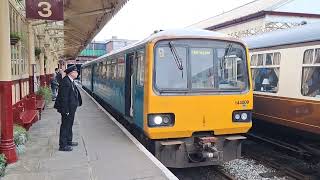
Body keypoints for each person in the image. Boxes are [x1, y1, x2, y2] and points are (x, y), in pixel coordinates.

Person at [54, 65, 82, 151]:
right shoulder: (66, 82)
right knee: (65, 126)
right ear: (71, 73)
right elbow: (64, 98)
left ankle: (69, 140)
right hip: (67, 109)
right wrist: (65, 110)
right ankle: (62, 145)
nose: (77, 73)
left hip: (71, 108)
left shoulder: (70, 81)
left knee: (69, 125)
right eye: (76, 72)